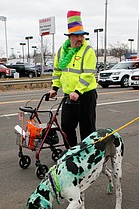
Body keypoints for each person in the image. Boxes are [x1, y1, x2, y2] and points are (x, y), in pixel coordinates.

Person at [49, 10, 97, 147]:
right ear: (69, 37)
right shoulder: (61, 52)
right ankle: (72, 153)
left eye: (82, 36)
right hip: (68, 96)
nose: (80, 39)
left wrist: (78, 91)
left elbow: (87, 74)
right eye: (76, 36)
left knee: (87, 129)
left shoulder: (88, 51)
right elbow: (57, 70)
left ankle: (88, 156)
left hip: (85, 95)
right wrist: (54, 88)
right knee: (66, 127)